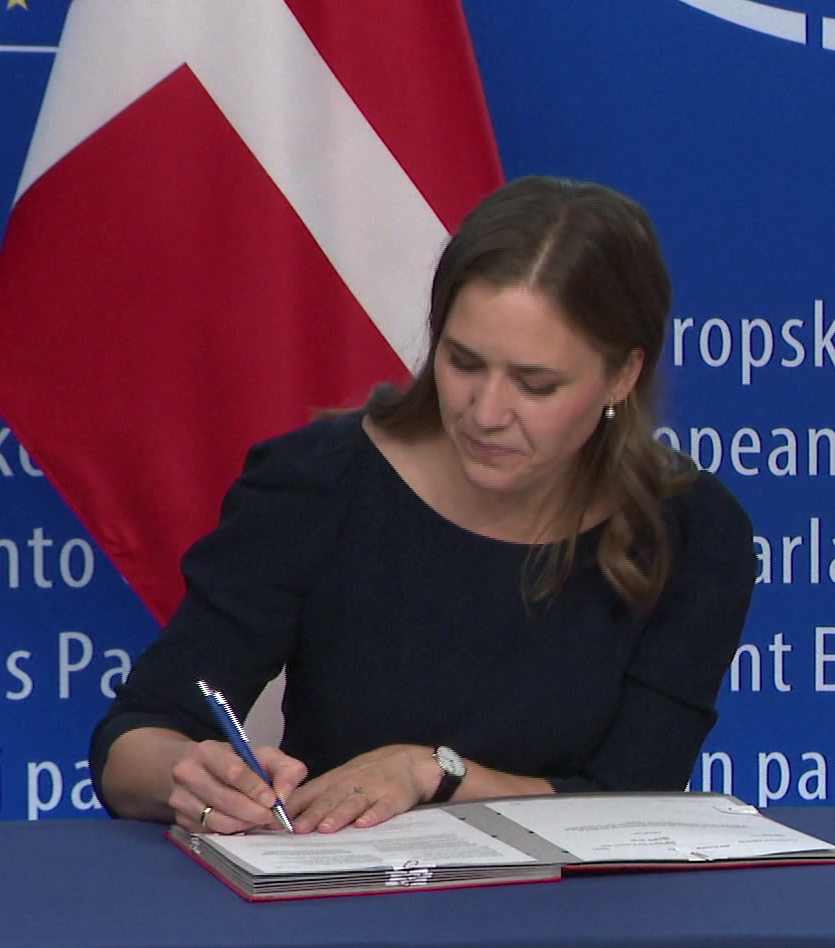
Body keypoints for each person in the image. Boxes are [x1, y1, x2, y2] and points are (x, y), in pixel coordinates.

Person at [92, 176, 757, 834]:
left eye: (535, 384)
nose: (487, 412)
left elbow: (636, 803)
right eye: (463, 362)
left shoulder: (693, 535)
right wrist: (190, 773)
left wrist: (431, 773)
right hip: (342, 921)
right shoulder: (317, 484)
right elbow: (131, 744)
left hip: (579, 926)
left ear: (623, 375)